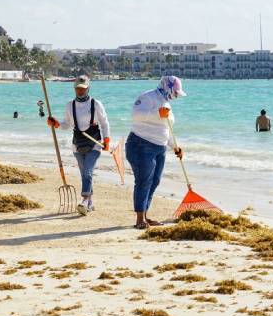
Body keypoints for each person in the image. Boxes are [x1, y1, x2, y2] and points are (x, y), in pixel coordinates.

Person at [125, 76, 186, 229]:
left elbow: (166, 129)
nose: (176, 95)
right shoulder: (148, 97)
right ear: (168, 88)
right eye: (175, 92)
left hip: (160, 148)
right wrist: (157, 114)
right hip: (141, 144)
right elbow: (136, 115)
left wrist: (175, 146)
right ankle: (139, 219)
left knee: (155, 181)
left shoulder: (166, 104)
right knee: (143, 181)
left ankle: (145, 215)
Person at [47, 75, 110, 215]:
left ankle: (84, 200)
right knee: (84, 174)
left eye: (83, 88)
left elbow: (105, 123)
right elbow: (67, 125)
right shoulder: (70, 105)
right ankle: (90, 203)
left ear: (88, 88)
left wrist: (107, 140)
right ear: (74, 88)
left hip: (94, 143)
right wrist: (56, 124)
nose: (80, 91)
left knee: (87, 171)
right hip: (77, 145)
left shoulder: (96, 104)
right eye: (78, 88)